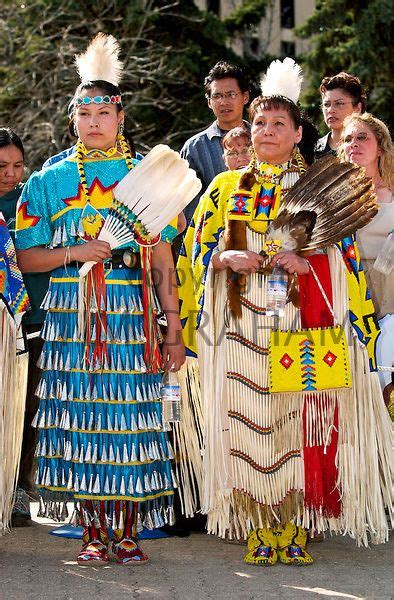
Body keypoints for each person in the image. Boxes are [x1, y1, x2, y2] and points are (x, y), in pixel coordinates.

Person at [176, 58, 392, 566]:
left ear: (299, 133)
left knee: (296, 419)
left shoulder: (323, 188)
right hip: (239, 323)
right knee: (248, 419)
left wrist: (307, 257)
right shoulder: (225, 190)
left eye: (279, 124)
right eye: (259, 123)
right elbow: (193, 251)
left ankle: (294, 523)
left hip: (300, 322)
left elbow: (349, 262)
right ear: (247, 133)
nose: (266, 131)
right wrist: (223, 257)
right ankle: (255, 523)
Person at [15, 33, 185, 565]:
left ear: (120, 115)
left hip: (130, 313)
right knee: (81, 417)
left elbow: (161, 262)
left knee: (130, 417)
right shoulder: (47, 181)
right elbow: (27, 258)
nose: (93, 121)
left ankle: (128, 530)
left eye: (103, 111)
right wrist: (75, 253)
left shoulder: (148, 176)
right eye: (83, 111)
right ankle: (91, 530)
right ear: (72, 119)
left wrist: (173, 329)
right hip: (70, 318)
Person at [0, 128, 50, 526]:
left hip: (31, 319)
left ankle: (18, 486)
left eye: (17, 165)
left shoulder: (33, 200)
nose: (11, 174)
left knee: (27, 406)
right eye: (1, 166)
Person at [339, 112, 394, 409]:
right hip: (350, 295)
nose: (354, 144)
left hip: (392, 294)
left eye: (362, 138)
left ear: (380, 147)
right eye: (348, 139)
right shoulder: (335, 196)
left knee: (386, 367)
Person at [180, 61, 251, 223]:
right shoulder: (194, 148)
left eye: (231, 94)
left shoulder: (262, 139)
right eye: (217, 96)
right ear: (208, 102)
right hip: (212, 238)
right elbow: (190, 208)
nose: (223, 102)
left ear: (245, 97)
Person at [315, 72, 366, 158]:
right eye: (326, 104)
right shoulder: (313, 150)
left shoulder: (369, 147)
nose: (331, 110)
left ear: (357, 108)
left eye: (339, 103)